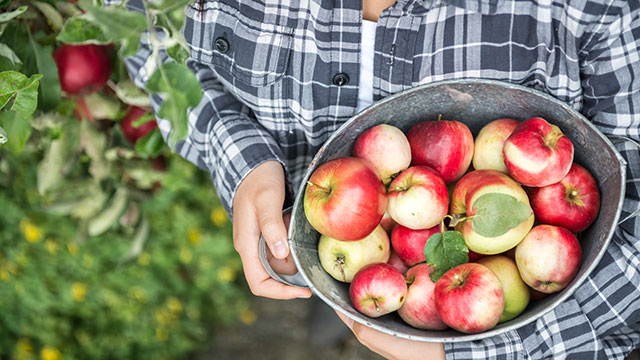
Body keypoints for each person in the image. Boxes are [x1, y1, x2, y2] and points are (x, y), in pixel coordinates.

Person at [112, 0, 640, 358]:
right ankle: (334, 303)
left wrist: (478, 351)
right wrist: (245, 160)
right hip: (329, 238)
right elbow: (143, 36)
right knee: (333, 284)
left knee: (367, 292)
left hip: (482, 294)